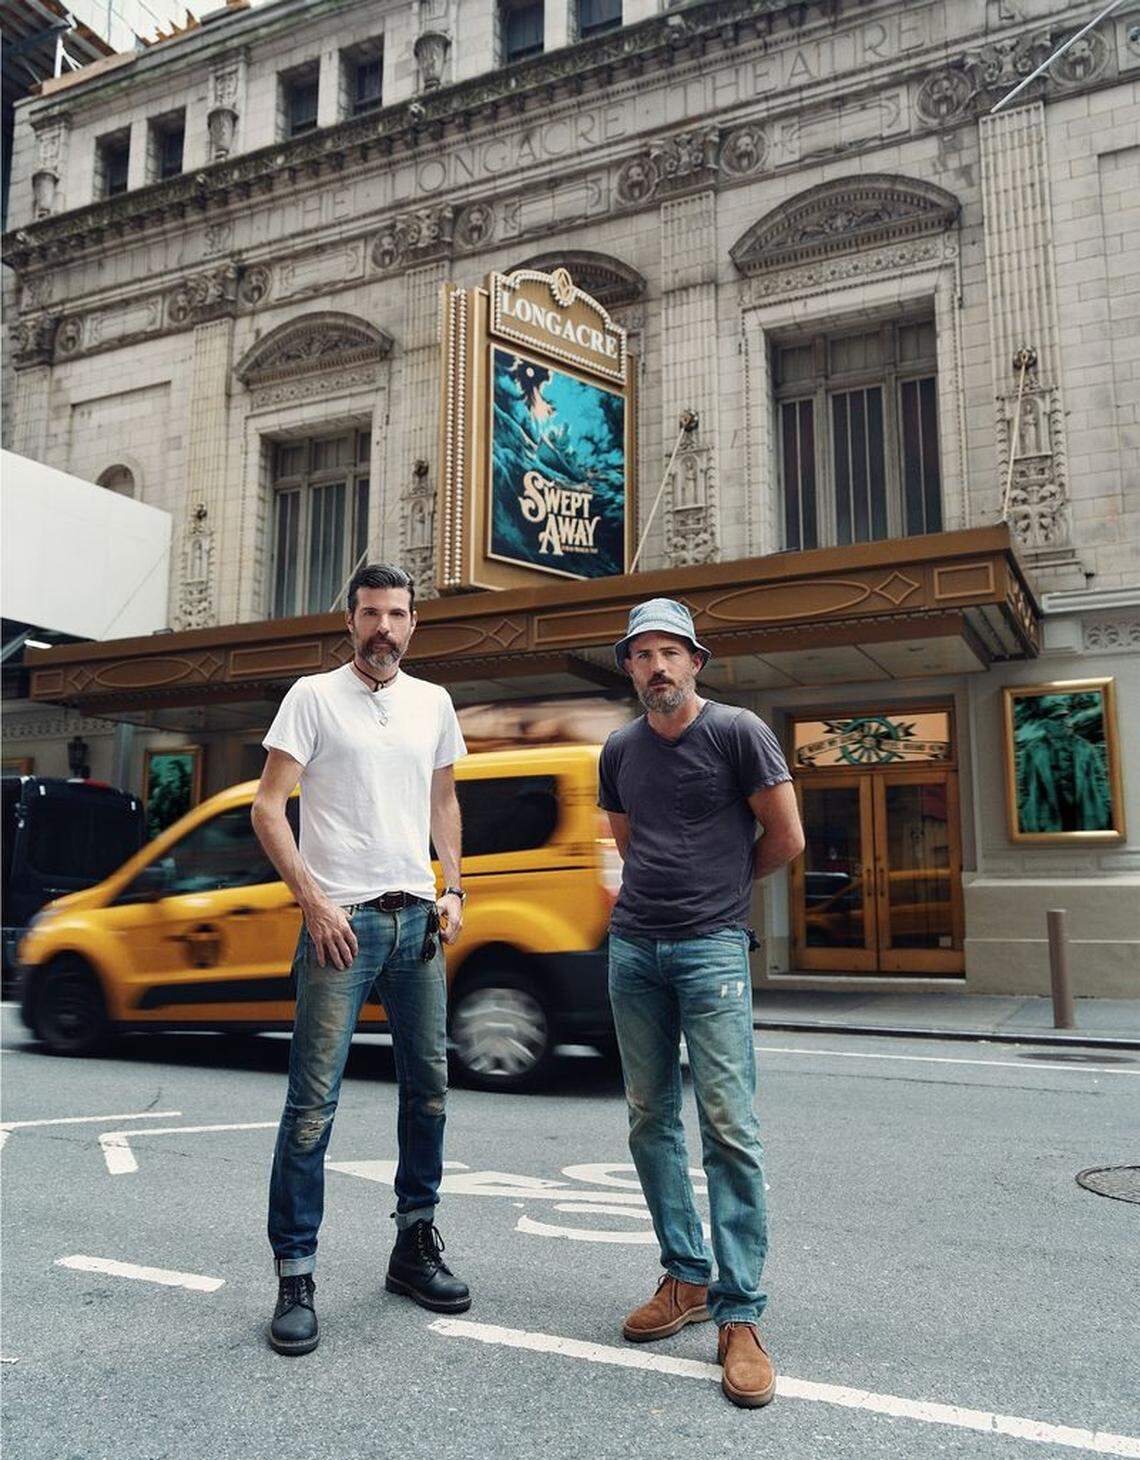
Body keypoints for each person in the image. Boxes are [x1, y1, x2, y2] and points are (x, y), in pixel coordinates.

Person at [251, 563, 470, 1357]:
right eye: (372, 613)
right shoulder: (311, 697)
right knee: (313, 1107)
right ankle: (296, 1277)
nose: (385, 627)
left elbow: (443, 800)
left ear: (414, 624)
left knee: (431, 1093)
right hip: (338, 925)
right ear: (349, 619)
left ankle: (413, 1249)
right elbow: (267, 807)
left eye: (398, 614)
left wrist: (455, 888)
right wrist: (312, 901)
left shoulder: (433, 703)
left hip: (418, 923)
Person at [598, 598, 804, 1409]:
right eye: (641, 655)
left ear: (695, 662)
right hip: (633, 948)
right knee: (650, 1117)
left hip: (713, 948)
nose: (656, 667)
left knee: (729, 1125)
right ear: (631, 669)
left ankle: (740, 1312)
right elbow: (630, 840)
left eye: (668, 653)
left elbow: (783, 837)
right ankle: (684, 1278)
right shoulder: (619, 749)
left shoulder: (740, 731)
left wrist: (721, 893)